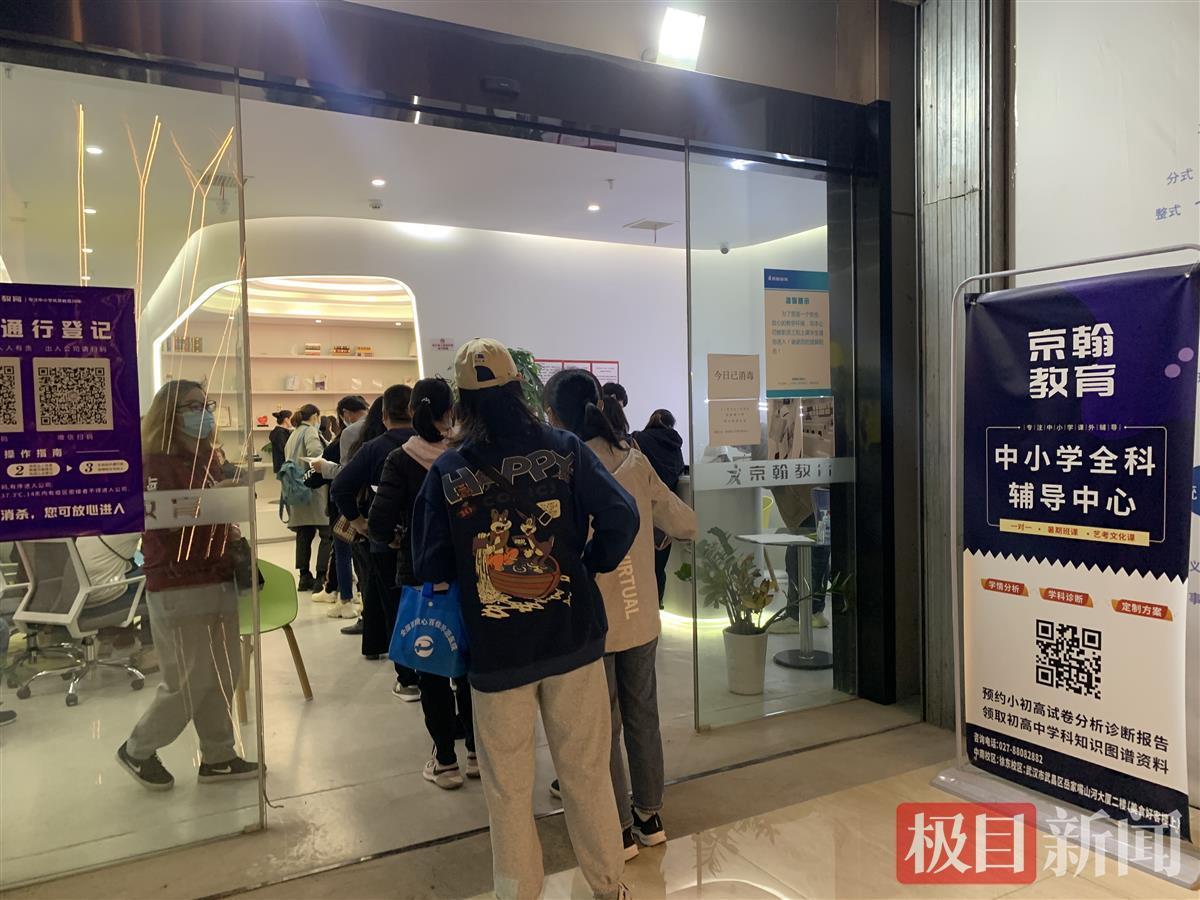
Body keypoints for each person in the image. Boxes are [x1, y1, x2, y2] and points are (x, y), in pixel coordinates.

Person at [413, 338, 638, 900]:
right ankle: (608, 886)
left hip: (496, 654)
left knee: (508, 789)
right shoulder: (565, 448)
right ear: (519, 388)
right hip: (572, 638)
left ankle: (517, 892)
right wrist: (588, 564)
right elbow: (621, 515)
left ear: (461, 401)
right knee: (587, 773)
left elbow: (429, 563)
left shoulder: (448, 470)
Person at [545, 369, 696, 859]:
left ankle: (618, 828)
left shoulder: (563, 466)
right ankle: (650, 817)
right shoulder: (635, 460)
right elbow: (686, 523)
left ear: (553, 415)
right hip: (642, 614)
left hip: (595, 621)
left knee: (601, 725)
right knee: (643, 715)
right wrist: (658, 529)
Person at [118, 379, 258, 790]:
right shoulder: (155, 464)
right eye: (193, 407)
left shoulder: (206, 457)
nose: (205, 414)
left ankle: (219, 755)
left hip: (217, 574)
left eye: (206, 405)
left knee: (222, 674)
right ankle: (138, 748)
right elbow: (161, 523)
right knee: (187, 681)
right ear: (170, 415)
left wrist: (228, 499)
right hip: (178, 582)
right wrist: (214, 503)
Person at [370, 376, 477, 788]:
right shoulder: (465, 455)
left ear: (413, 412)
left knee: (431, 664)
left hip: (421, 577)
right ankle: (476, 754)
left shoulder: (399, 460)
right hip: (468, 575)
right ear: (451, 411)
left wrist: (402, 538)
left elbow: (379, 523)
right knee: (468, 666)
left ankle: (445, 762)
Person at [331, 385, 420, 697]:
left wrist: (360, 523)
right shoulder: (432, 444)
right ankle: (439, 670)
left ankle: (408, 679)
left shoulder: (374, 448)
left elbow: (340, 487)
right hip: (427, 542)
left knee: (394, 607)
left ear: (383, 416)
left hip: (385, 542)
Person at [310, 395, 370, 621]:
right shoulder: (377, 428)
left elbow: (345, 474)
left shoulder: (349, 434)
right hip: (374, 503)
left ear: (345, 413)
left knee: (344, 552)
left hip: (350, 504)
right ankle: (361, 600)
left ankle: (346, 600)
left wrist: (324, 468)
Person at [631, 409, 687, 606]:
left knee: (640, 566)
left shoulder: (638, 439)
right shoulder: (675, 446)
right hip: (664, 515)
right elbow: (679, 471)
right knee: (659, 566)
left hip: (641, 511)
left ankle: (641, 609)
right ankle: (657, 606)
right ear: (671, 425)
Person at [283, 403, 331, 594]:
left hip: (297, 490)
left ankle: (304, 576)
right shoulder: (310, 431)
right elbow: (316, 456)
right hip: (313, 491)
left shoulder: (293, 434)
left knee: (304, 534)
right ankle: (321, 577)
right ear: (315, 416)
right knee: (327, 534)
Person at [75, 533, 142, 605]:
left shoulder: (85, 530)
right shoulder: (125, 529)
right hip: (106, 594)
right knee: (150, 571)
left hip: (79, 599)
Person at [268, 409, 293, 474]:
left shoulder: (280, 432)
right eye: (291, 419)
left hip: (282, 466)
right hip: (284, 466)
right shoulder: (280, 433)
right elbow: (284, 449)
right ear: (286, 419)